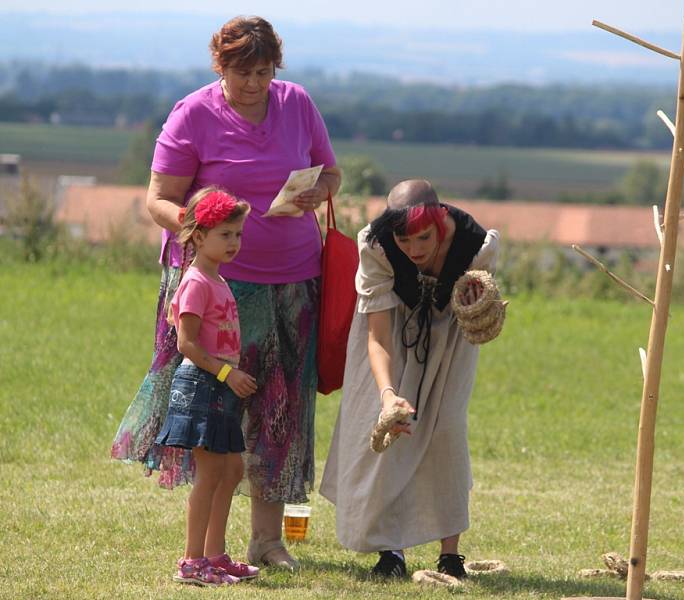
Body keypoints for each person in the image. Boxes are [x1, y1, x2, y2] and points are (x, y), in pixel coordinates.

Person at [111, 15, 341, 571]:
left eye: (263, 72)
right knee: (215, 413)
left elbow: (331, 174)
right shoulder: (192, 113)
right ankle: (205, 545)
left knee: (280, 409)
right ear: (221, 66)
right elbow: (158, 198)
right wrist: (197, 227)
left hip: (293, 281)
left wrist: (317, 191)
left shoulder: (298, 103)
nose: (255, 84)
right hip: (217, 287)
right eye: (243, 73)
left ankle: (266, 541)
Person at [320, 180, 500, 579]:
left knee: (446, 431)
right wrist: (387, 395)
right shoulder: (378, 247)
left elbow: (480, 297)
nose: (415, 249)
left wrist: (477, 305)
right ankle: (391, 550)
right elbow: (377, 336)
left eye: (424, 237)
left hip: (449, 337)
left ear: (440, 223)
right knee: (392, 432)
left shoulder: (474, 244)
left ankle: (450, 555)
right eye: (405, 239)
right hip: (393, 332)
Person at [155, 187, 258, 586]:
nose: (234, 243)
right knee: (211, 473)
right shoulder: (197, 281)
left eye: (238, 235)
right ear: (198, 236)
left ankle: (215, 555)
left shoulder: (215, 279)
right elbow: (186, 343)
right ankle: (191, 561)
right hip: (202, 385)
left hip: (218, 386)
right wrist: (226, 373)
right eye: (225, 235)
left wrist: (228, 377)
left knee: (230, 469)